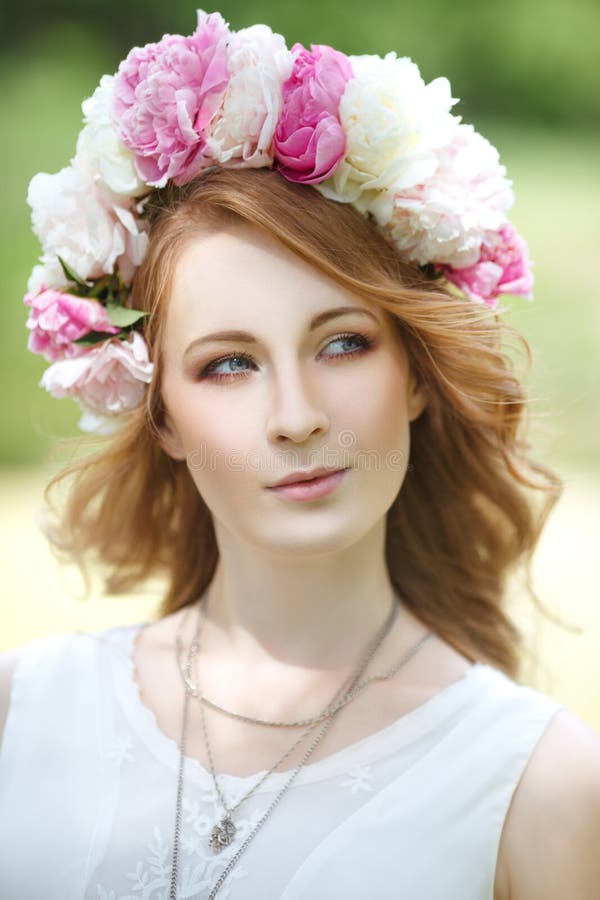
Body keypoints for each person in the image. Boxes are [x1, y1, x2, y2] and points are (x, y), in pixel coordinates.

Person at [1, 10, 599, 900]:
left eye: (344, 343)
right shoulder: (21, 711)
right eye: (229, 364)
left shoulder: (540, 785)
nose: (295, 417)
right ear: (159, 412)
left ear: (417, 376)